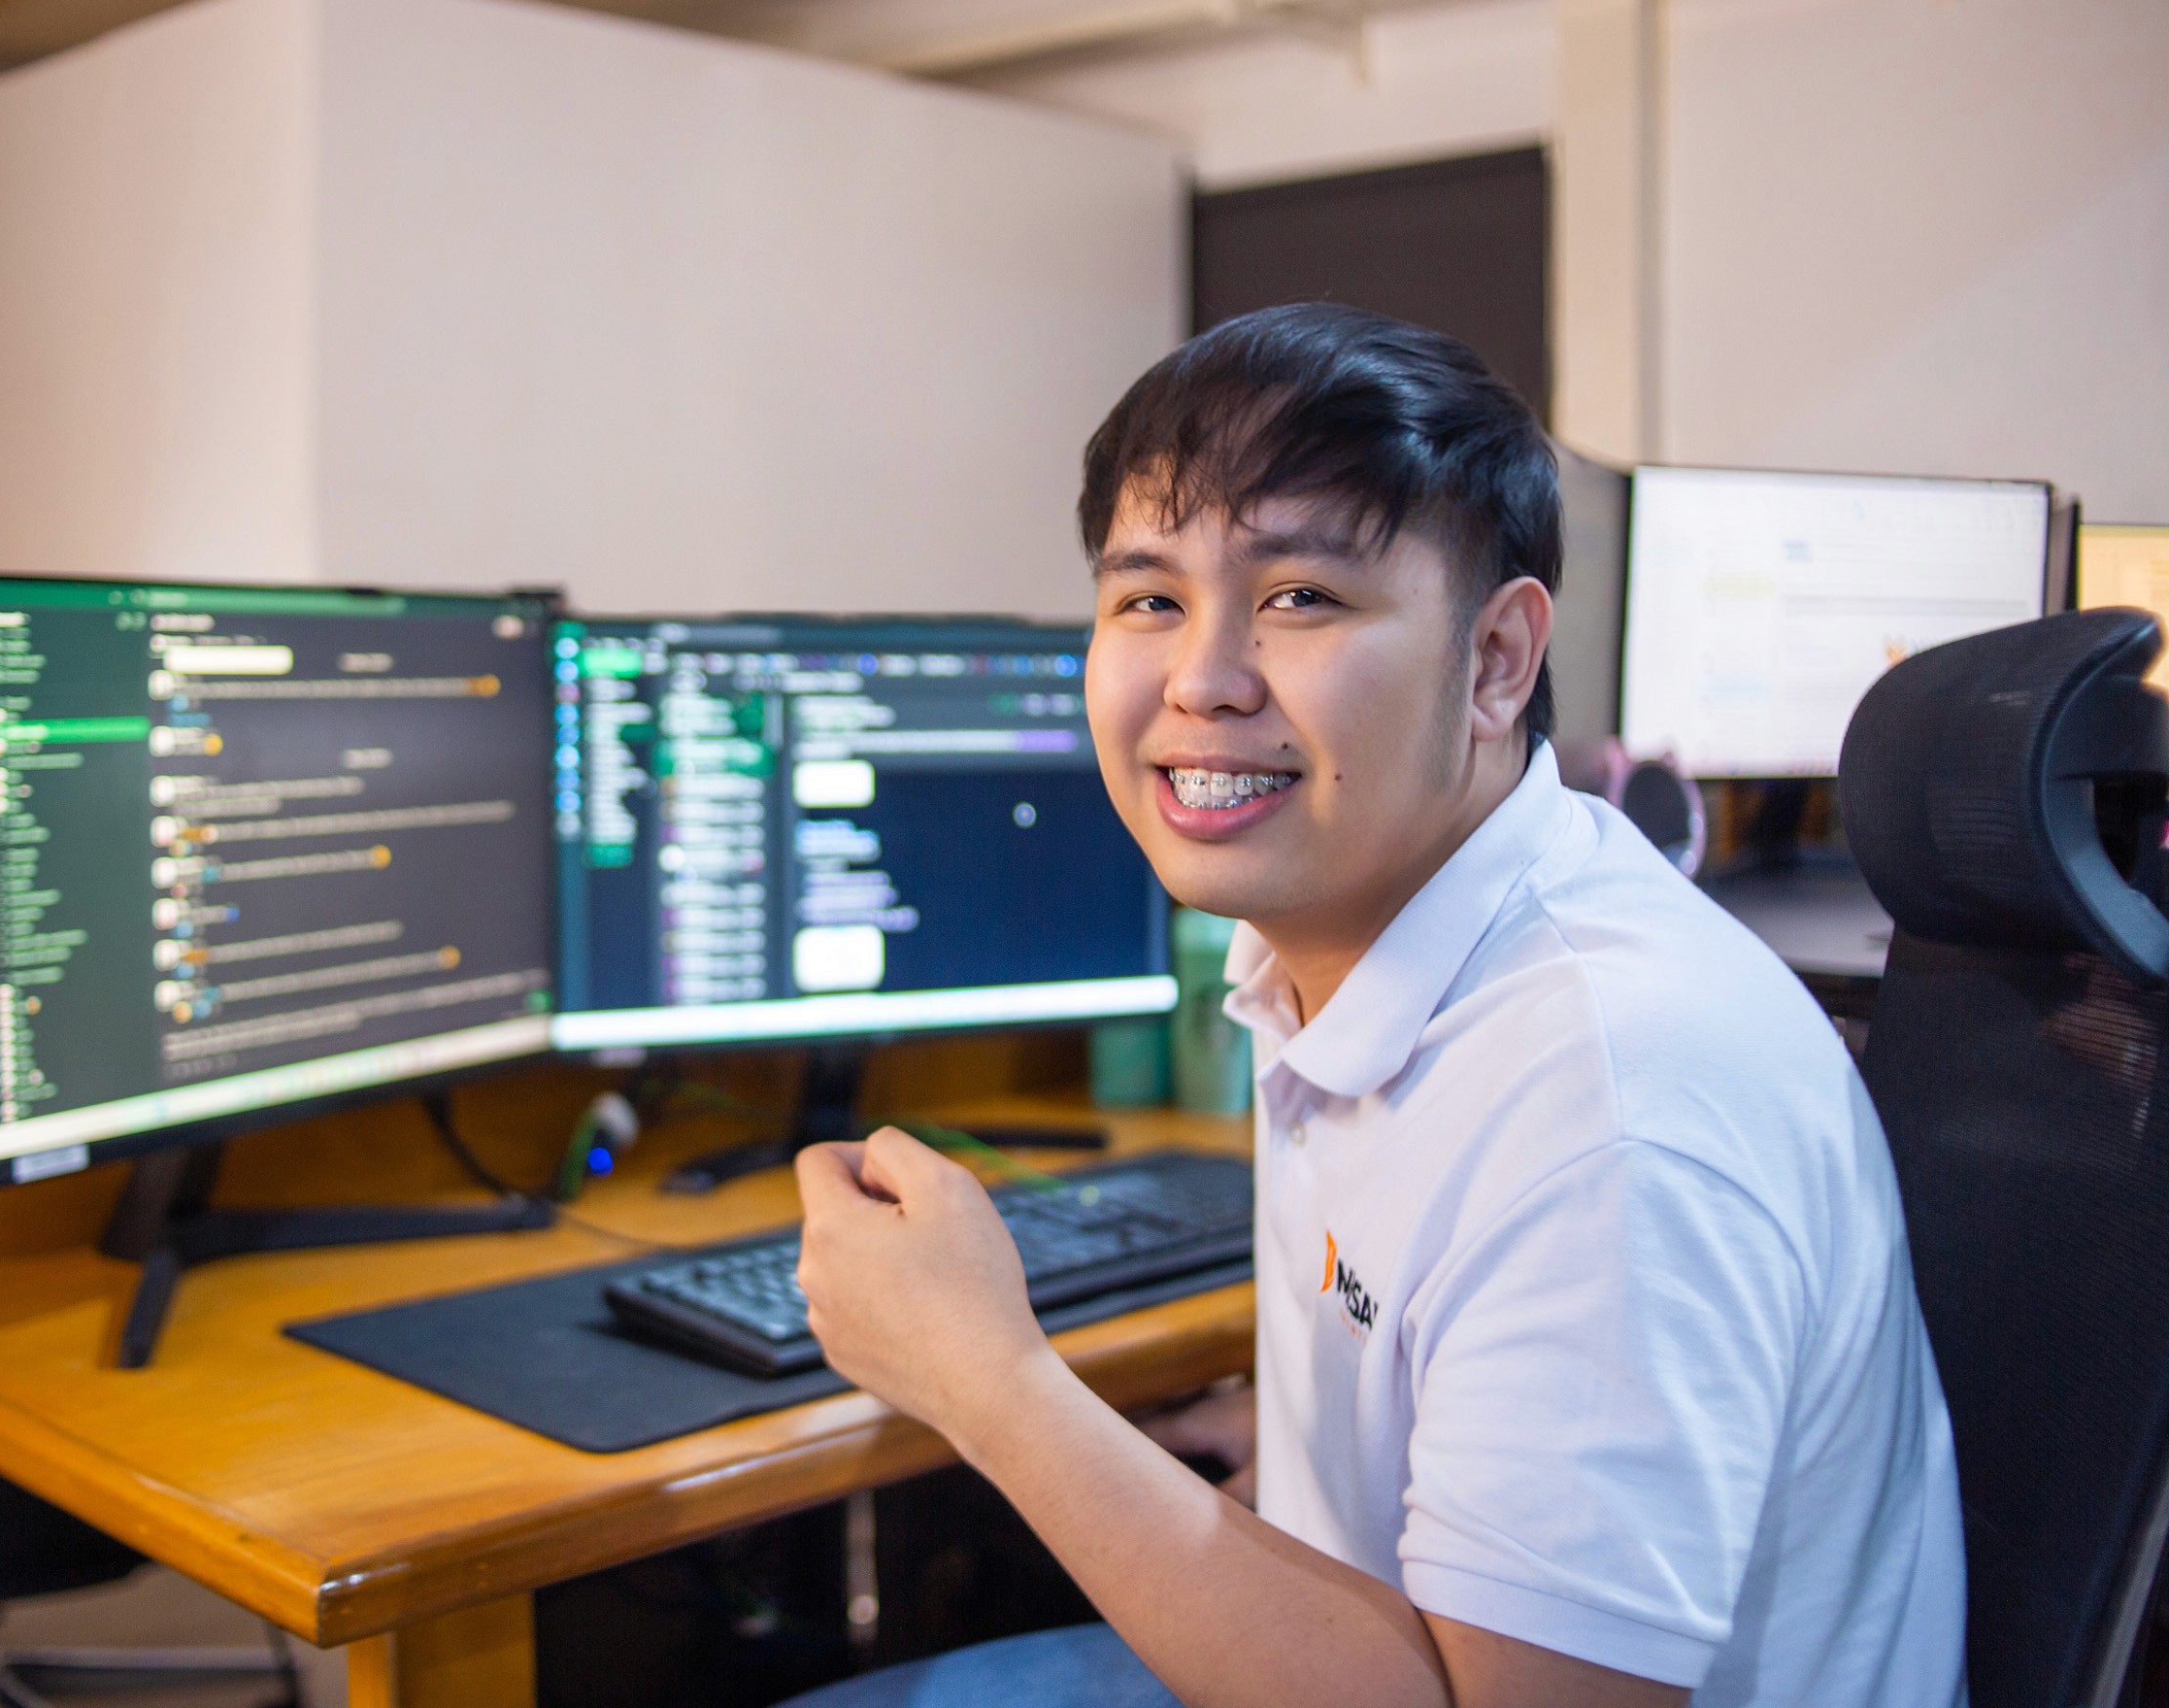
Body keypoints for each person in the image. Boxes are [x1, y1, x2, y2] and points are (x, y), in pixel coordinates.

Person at [782, 305, 1964, 1707]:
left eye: (1301, 599)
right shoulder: (1343, 951)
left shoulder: (1608, 1096)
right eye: (1149, 598)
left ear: (1496, 661)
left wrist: (992, 1382)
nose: (1202, 680)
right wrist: (1323, 1443)